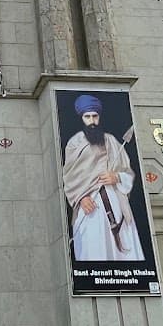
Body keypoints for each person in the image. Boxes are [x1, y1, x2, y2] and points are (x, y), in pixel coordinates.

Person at [62, 93, 144, 262]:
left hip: (116, 202)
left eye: (95, 116)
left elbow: (128, 172)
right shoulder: (74, 143)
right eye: (87, 117)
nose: (92, 121)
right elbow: (69, 177)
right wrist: (80, 198)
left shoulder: (111, 141)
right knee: (93, 250)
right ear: (81, 118)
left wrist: (117, 177)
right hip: (89, 206)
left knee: (124, 251)